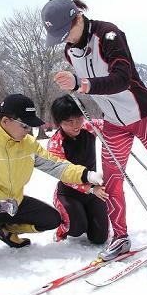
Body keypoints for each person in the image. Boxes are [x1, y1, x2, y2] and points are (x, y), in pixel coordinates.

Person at [41, 0, 147, 261]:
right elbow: (89, 85)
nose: (65, 40)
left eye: (65, 32)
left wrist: (82, 83)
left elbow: (122, 78)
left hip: (142, 113)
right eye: (59, 36)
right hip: (114, 123)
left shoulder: (109, 35)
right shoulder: (70, 51)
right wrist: (75, 85)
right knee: (112, 180)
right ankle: (120, 237)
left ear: (78, 17)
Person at [0, 93, 106, 268]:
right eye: (25, 126)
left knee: (52, 219)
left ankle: (4, 230)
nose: (28, 131)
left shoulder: (28, 143)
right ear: (5, 121)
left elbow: (56, 165)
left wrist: (86, 175)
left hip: (12, 202)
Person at [47, 94, 109, 244]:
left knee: (99, 238)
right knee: (77, 228)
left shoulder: (88, 127)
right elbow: (64, 175)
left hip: (93, 190)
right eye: (69, 121)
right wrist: (91, 189)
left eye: (79, 118)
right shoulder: (55, 144)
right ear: (58, 122)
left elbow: (110, 124)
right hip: (69, 193)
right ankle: (64, 226)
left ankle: (87, 218)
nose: (76, 125)